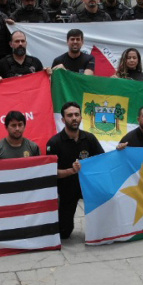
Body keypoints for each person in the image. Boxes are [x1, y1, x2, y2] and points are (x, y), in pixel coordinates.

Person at [46, 102, 105, 239]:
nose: (74, 118)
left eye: (77, 115)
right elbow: (51, 173)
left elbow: (102, 162)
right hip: (66, 188)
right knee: (64, 233)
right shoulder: (54, 143)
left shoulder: (89, 138)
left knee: (107, 208)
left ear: (81, 118)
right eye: (70, 115)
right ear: (63, 119)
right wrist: (70, 171)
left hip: (88, 186)